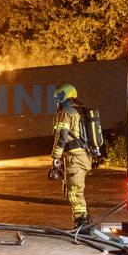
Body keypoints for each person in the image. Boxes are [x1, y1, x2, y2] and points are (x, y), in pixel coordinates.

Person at [50, 84, 92, 227]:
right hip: (84, 156)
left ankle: (82, 225)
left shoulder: (66, 112)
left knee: (74, 193)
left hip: (75, 158)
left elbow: (62, 137)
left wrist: (56, 157)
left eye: (60, 98)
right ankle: (83, 221)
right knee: (74, 190)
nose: (58, 102)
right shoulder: (81, 111)